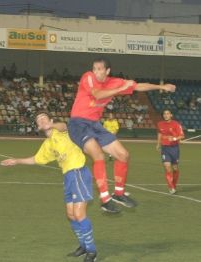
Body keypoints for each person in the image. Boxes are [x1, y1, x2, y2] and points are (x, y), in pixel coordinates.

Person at [68, 57, 176, 213]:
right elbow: (97, 94)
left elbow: (138, 86)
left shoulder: (114, 81)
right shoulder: (88, 77)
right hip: (78, 124)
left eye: (99, 69)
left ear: (107, 71)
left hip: (95, 125)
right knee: (98, 154)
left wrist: (162, 86)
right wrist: (120, 89)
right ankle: (105, 199)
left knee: (123, 155)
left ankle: (118, 193)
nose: (96, 71)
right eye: (94, 68)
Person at [0, 112, 97, 262]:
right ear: (38, 126)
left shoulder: (62, 131)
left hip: (78, 172)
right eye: (39, 119)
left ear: (51, 120)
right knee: (70, 215)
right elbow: (36, 159)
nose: (42, 120)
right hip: (68, 177)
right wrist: (16, 161)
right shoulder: (48, 144)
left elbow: (64, 125)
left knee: (79, 214)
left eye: (44, 117)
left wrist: (52, 125)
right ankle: (83, 245)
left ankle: (92, 251)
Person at [156, 109, 184, 194]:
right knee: (167, 167)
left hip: (174, 148)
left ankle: (174, 185)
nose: (166, 115)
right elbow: (160, 133)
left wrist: (174, 138)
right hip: (165, 148)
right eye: (164, 114)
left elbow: (182, 135)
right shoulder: (160, 124)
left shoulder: (176, 124)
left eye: (168, 113)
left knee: (175, 168)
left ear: (171, 115)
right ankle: (171, 187)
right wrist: (158, 143)